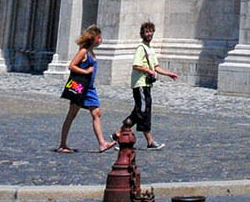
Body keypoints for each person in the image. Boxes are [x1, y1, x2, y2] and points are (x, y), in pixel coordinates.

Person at [55, 27, 115, 154]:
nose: (101, 40)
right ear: (93, 38)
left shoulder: (91, 53)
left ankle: (102, 144)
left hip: (90, 88)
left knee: (96, 113)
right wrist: (86, 71)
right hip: (80, 88)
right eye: (99, 37)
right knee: (71, 115)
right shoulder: (83, 52)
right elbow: (71, 66)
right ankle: (62, 144)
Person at [122, 20, 177, 150]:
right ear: (142, 33)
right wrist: (147, 70)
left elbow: (156, 67)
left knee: (139, 111)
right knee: (142, 111)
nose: (149, 34)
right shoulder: (141, 49)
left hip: (146, 85)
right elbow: (136, 65)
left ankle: (119, 134)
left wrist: (169, 74)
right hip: (140, 84)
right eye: (146, 31)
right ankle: (149, 141)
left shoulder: (150, 49)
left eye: (151, 31)